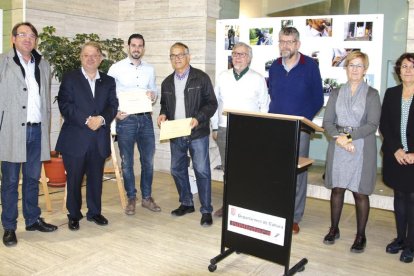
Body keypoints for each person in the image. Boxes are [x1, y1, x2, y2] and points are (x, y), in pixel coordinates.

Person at [0, 22, 58, 247]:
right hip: (11, 131)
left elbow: (44, 100)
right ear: (13, 39)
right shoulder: (3, 62)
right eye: (22, 34)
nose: (27, 38)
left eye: (32, 35)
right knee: (11, 181)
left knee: (33, 179)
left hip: (36, 130)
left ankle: (33, 219)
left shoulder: (43, 64)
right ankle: (9, 226)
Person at [55, 41, 118, 231]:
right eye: (86, 55)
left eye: (94, 55)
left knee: (95, 178)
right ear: (80, 58)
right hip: (76, 138)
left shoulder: (108, 81)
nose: (90, 59)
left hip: (98, 137)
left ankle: (95, 212)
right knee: (74, 179)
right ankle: (74, 214)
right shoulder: (70, 78)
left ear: (100, 58)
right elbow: (65, 105)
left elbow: (112, 105)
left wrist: (101, 119)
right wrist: (87, 119)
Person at [322, 51, 381, 253]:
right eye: (351, 65)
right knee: (337, 189)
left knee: (360, 193)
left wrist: (347, 138)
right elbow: (327, 122)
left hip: (361, 148)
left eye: (359, 66)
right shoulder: (337, 92)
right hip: (339, 147)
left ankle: (360, 235)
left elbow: (372, 125)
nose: (354, 69)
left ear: (365, 70)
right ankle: (334, 229)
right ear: (346, 68)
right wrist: (339, 138)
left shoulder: (372, 94)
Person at [268, 27, 324, 234]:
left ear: (298, 44)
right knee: (277, 171)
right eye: (282, 41)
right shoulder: (274, 66)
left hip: (300, 129)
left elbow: (318, 98)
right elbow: (273, 94)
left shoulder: (309, 66)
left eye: (290, 42)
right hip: (276, 128)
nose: (285, 45)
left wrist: (302, 120)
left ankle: (294, 216)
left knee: (298, 173)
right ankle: (278, 211)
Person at [157, 42, 217, 226]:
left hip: (197, 132)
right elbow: (165, 105)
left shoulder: (201, 78)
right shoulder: (167, 82)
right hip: (176, 133)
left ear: (188, 56)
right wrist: (162, 114)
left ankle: (206, 209)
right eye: (173, 56)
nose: (177, 58)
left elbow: (211, 103)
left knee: (202, 170)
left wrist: (198, 118)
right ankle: (186, 202)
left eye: (180, 55)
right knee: (176, 169)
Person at [211, 42, 270, 217]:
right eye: (235, 53)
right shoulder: (222, 76)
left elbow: (264, 106)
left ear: (249, 58)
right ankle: (228, 204)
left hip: (249, 132)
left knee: (247, 169)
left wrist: (260, 131)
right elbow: (215, 103)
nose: (238, 57)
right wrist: (214, 126)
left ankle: (246, 205)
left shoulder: (258, 78)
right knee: (228, 170)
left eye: (242, 54)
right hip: (224, 128)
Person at [108, 34, 160, 216]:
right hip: (126, 120)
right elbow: (108, 93)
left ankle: (146, 197)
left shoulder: (150, 69)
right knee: (127, 162)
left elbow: (154, 90)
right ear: (128, 47)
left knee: (148, 160)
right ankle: (131, 197)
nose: (136, 49)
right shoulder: (116, 68)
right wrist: (114, 113)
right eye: (133, 45)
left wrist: (153, 96)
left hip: (145, 118)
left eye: (140, 46)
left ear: (143, 48)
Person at [380, 52, 414, 263]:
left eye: (412, 67)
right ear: (398, 71)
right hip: (396, 156)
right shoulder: (392, 93)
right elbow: (385, 125)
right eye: (404, 67)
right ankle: (401, 238)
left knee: (412, 200)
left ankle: (411, 244)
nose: (408, 70)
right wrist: (396, 150)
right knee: (399, 198)